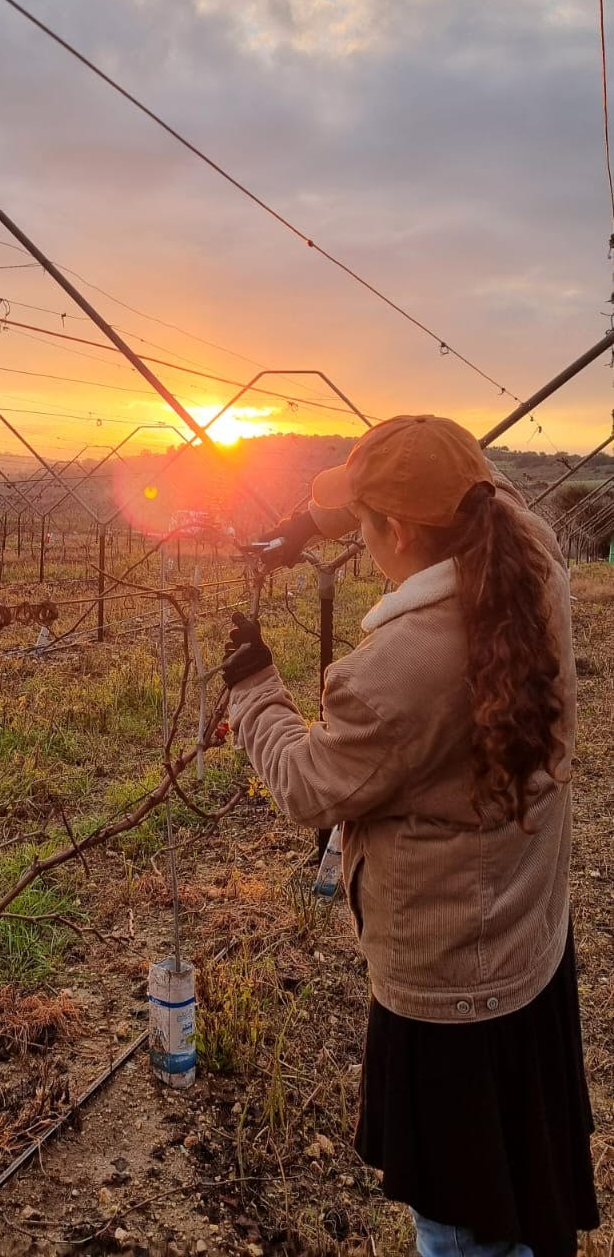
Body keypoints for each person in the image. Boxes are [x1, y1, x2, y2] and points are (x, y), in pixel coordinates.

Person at [222, 415, 599, 1257]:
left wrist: (254, 689)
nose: (354, 537)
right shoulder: (531, 558)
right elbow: (466, 487)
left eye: (363, 524)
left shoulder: (398, 666)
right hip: (526, 937)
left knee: (459, 1222)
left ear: (393, 530)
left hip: (449, 988)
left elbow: (310, 785)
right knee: (523, 1180)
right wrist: (320, 517)